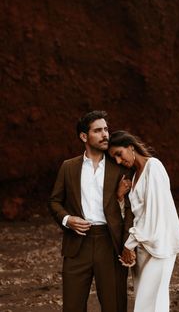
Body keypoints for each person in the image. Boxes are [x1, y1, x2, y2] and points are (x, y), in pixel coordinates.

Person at [48, 111, 133, 312]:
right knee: (72, 307)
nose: (105, 134)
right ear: (84, 136)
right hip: (77, 245)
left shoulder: (119, 166)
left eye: (106, 129)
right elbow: (54, 202)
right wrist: (67, 219)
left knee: (115, 306)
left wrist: (128, 244)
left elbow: (130, 209)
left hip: (110, 244)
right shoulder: (68, 167)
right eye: (98, 130)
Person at [108, 130, 179, 312]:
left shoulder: (154, 167)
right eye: (114, 159)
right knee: (146, 302)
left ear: (130, 146)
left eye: (119, 154)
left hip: (160, 245)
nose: (119, 161)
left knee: (151, 302)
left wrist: (129, 244)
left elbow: (154, 214)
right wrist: (120, 197)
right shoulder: (135, 175)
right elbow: (133, 215)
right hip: (142, 247)